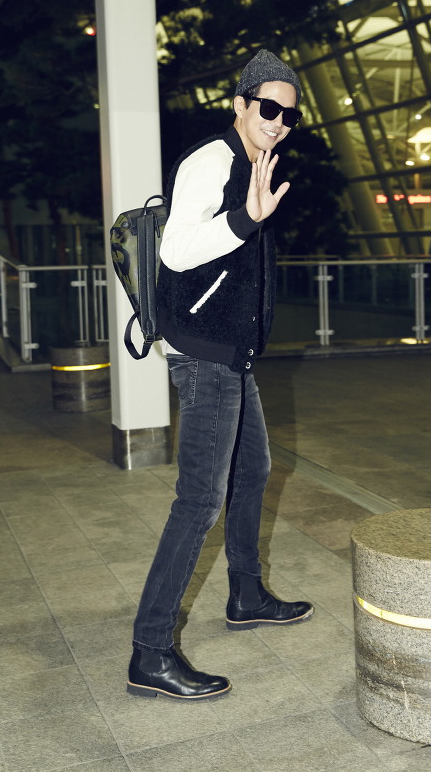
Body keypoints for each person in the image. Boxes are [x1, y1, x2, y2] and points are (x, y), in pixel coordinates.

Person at [127, 49, 314, 701]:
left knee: (254, 468)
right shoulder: (212, 161)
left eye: (289, 115)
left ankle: (246, 593)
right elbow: (178, 251)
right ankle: (151, 650)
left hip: (231, 353)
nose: (278, 121)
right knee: (200, 498)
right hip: (204, 354)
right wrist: (246, 219)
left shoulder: (255, 163)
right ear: (240, 105)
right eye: (268, 108)